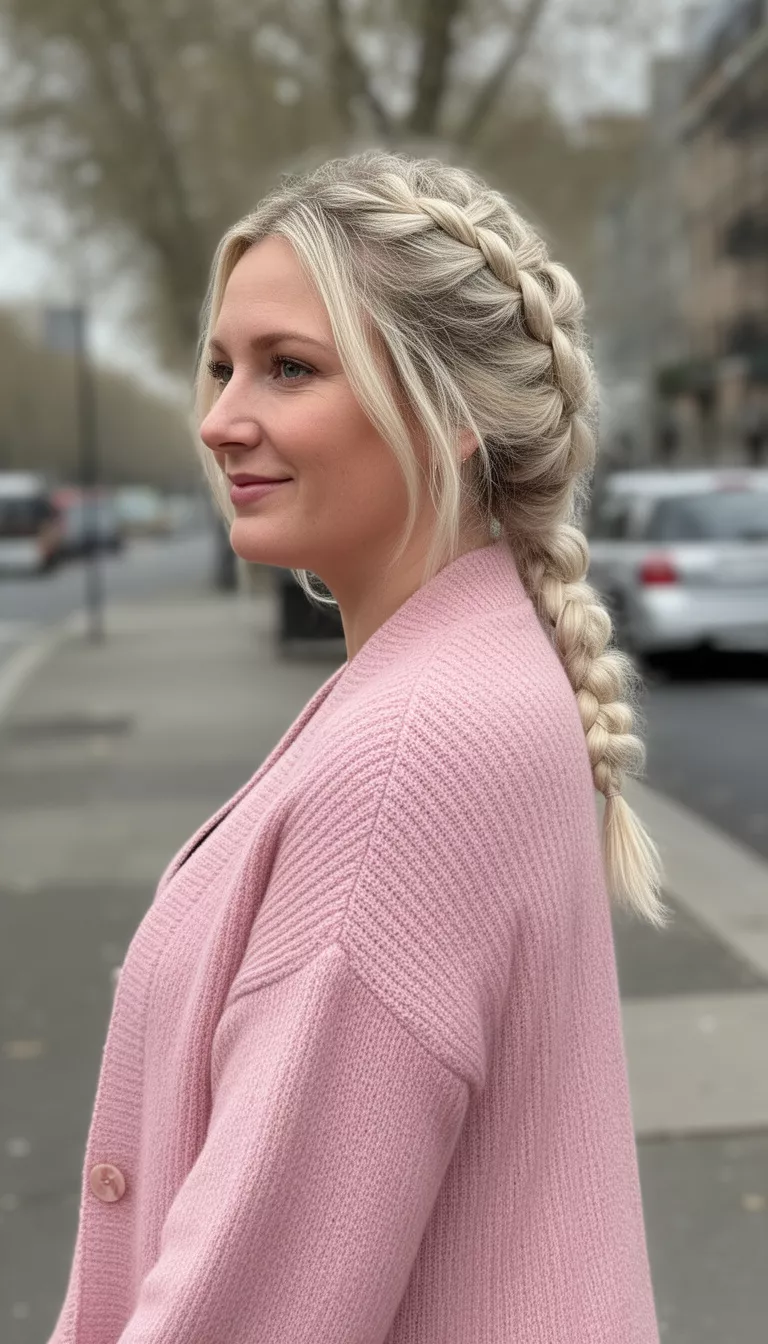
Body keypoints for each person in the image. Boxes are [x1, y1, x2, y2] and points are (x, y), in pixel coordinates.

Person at [49, 150, 668, 1344]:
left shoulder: (408, 760)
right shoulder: (473, 667)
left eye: (290, 367)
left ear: (456, 414)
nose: (220, 420)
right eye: (222, 366)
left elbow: (246, 1308)